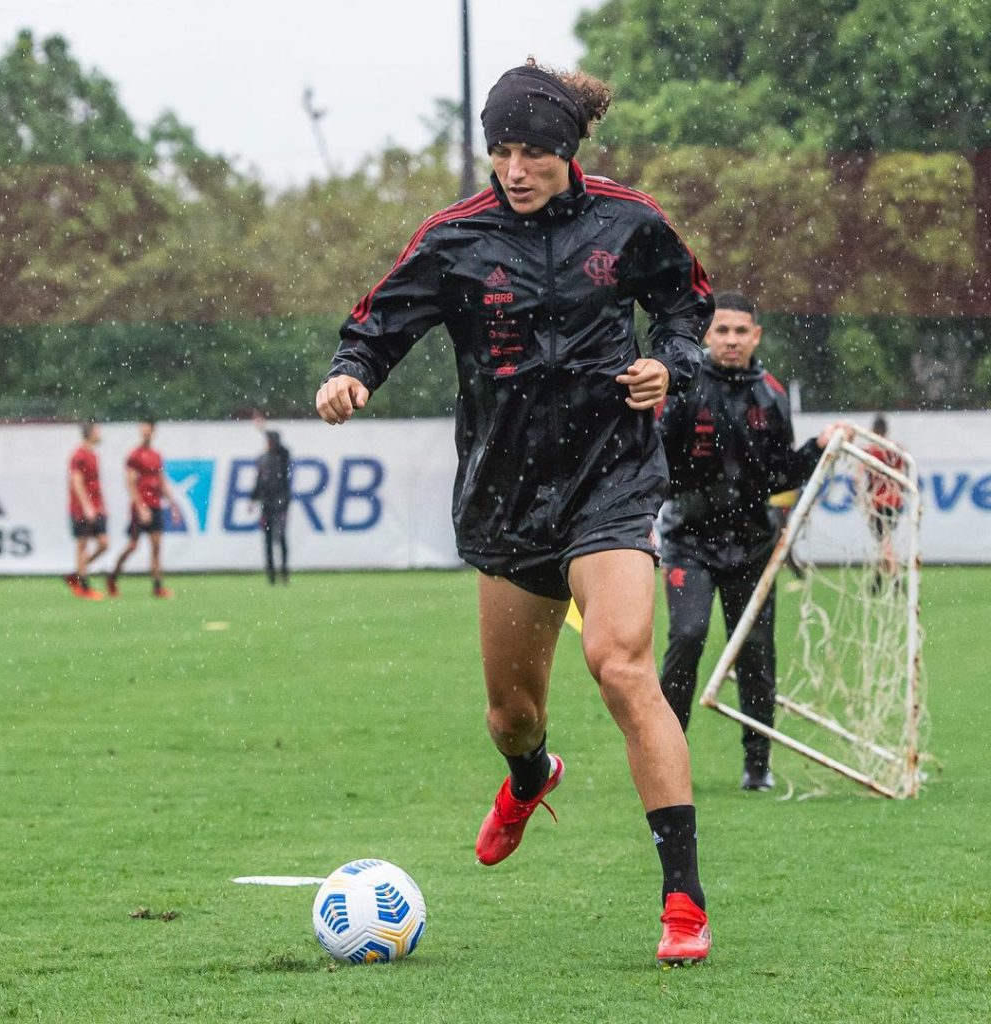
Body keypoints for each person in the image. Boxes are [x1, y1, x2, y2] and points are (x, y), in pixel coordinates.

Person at [316, 59, 715, 965]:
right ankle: (530, 777)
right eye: (502, 150)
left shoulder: (630, 221)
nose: (517, 168)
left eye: (535, 151)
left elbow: (689, 310)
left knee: (620, 663)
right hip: (506, 496)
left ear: (568, 152)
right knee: (512, 718)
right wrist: (350, 374)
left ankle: (683, 901)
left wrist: (671, 366)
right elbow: (379, 323)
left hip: (612, 479)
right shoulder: (455, 237)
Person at [657, 291, 848, 791]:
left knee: (756, 654)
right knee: (688, 636)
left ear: (756, 335)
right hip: (689, 542)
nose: (732, 339)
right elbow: (655, 460)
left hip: (751, 546)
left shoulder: (772, 394)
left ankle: (757, 767)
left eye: (741, 331)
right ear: (707, 334)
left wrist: (817, 448)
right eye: (722, 330)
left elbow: (780, 474)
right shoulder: (683, 388)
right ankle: (663, 757)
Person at [106, 419, 181, 598]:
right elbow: (130, 483)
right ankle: (113, 577)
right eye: (143, 428)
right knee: (132, 546)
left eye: (148, 429)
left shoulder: (156, 456)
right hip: (140, 508)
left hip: (155, 506)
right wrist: (141, 507)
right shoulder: (134, 456)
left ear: (153, 432)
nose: (145, 432)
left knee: (156, 547)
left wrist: (173, 504)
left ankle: (157, 586)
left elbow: (161, 481)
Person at [861, 414, 907, 590]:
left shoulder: (871, 451)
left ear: (873, 430)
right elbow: (903, 474)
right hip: (895, 502)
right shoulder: (896, 450)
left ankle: (894, 580)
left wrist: (865, 498)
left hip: (879, 503)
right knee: (886, 542)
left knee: (884, 542)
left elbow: (860, 475)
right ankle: (878, 580)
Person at [65, 421, 108, 600]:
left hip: (97, 507)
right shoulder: (79, 455)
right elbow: (76, 482)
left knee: (104, 544)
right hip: (82, 509)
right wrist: (86, 506)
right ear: (90, 433)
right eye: (97, 429)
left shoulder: (93, 455)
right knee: (82, 545)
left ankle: (77, 574)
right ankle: (83, 585)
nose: (100, 432)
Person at [250, 429, 291, 584]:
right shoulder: (262, 459)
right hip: (266, 503)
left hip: (281, 502)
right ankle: (271, 574)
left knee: (280, 536)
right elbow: (259, 481)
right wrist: (253, 499)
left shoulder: (281, 457)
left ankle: (284, 570)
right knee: (268, 539)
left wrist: (262, 427)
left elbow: (283, 450)